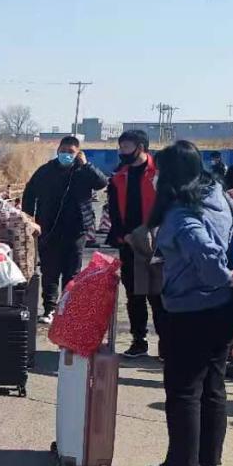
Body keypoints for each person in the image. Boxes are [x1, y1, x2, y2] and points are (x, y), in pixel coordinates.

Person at [144, 141, 233, 466]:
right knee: (213, 386)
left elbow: (204, 251)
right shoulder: (218, 195)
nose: (155, 178)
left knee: (184, 390)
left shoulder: (182, 213)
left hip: (192, 310)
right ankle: (207, 462)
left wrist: (221, 276)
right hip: (225, 309)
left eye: (158, 172)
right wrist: (227, 281)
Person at [21, 136, 109, 324]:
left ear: (78, 153)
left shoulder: (84, 171)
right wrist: (29, 219)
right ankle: (49, 309)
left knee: (72, 272)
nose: (66, 155)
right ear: (58, 150)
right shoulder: (46, 171)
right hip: (49, 229)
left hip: (77, 230)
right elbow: (29, 193)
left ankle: (68, 309)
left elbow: (102, 183)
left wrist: (86, 165)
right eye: (63, 151)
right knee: (50, 271)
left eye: (71, 152)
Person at [106, 130, 165, 359]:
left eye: (126, 147)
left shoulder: (159, 173)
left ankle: (165, 342)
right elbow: (113, 210)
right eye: (120, 147)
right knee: (133, 294)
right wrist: (124, 236)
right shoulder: (119, 176)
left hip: (156, 243)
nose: (122, 152)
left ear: (140, 147)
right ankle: (138, 341)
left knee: (157, 295)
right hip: (129, 243)